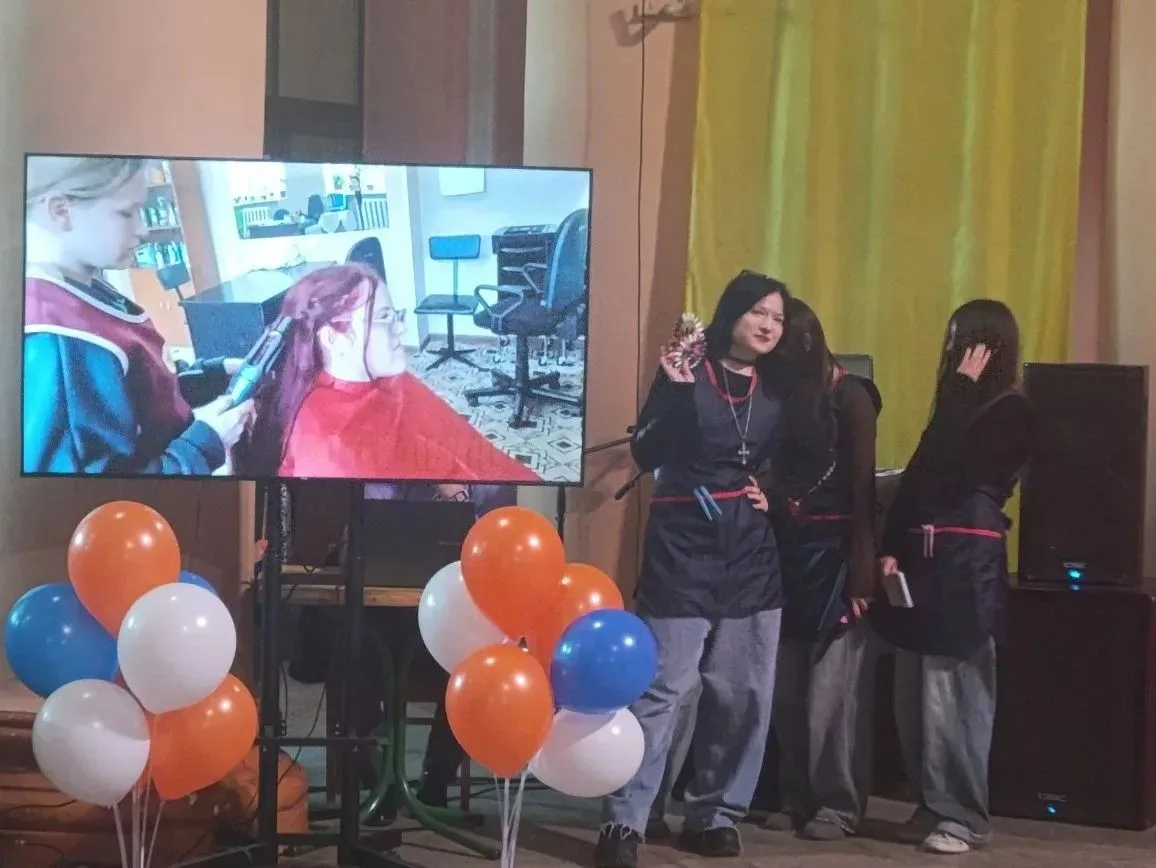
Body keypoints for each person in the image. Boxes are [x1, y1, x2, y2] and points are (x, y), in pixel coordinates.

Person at [595, 271, 790, 868]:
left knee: (743, 693)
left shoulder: (780, 388)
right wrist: (675, 391)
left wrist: (776, 492)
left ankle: (715, 815)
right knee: (663, 690)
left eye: (778, 318)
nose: (768, 326)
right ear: (732, 313)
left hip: (751, 556)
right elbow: (648, 450)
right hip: (682, 549)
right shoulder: (688, 368)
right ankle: (626, 820)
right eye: (758, 312)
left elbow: (807, 456)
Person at [870, 299, 1032, 855]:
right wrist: (892, 548)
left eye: (963, 339)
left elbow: (964, 469)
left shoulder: (1012, 410)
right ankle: (930, 801)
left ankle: (963, 814)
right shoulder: (954, 406)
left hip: (966, 572)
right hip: (923, 564)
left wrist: (960, 394)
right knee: (914, 698)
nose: (953, 351)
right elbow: (920, 475)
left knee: (954, 698)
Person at [23, 156, 250, 474]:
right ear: (61, 210)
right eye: (126, 212)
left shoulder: (87, 289)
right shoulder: (53, 335)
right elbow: (100, 489)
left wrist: (209, 376)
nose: (142, 229)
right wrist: (204, 444)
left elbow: (134, 392)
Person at [760, 298, 882, 840]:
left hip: (835, 555)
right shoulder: (785, 398)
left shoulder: (852, 398)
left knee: (833, 697)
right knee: (787, 692)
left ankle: (838, 804)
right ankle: (795, 796)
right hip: (786, 551)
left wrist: (861, 573)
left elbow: (864, 490)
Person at [239, 263, 540, 482]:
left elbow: (452, 451)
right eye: (385, 318)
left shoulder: (385, 380)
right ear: (334, 338)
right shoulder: (330, 449)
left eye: (396, 315)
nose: (401, 329)